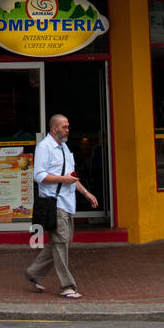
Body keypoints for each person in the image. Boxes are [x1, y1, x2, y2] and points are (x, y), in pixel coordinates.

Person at [26, 113, 97, 300]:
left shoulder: (64, 148)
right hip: (53, 203)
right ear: (54, 128)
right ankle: (67, 286)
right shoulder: (44, 147)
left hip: (67, 204)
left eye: (68, 126)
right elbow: (39, 175)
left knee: (62, 243)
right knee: (61, 244)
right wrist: (63, 180)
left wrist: (86, 193)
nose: (68, 129)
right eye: (64, 127)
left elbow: (71, 177)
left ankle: (34, 272)